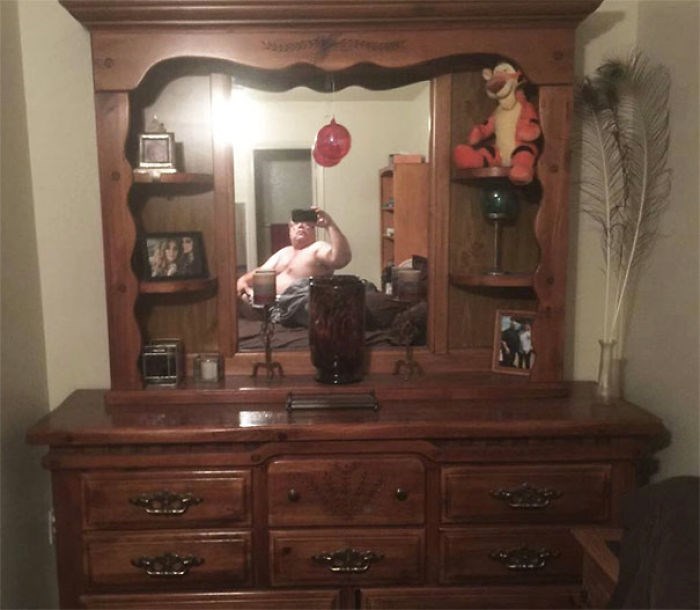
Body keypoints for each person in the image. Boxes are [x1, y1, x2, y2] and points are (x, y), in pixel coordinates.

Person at [236, 207, 351, 325]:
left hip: (297, 305)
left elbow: (341, 260)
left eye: (307, 224)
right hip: (270, 306)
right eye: (295, 224)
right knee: (235, 296)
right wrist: (242, 281)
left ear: (314, 230)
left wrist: (330, 225)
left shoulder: (317, 247)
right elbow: (260, 273)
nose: (300, 226)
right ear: (290, 231)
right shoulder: (283, 252)